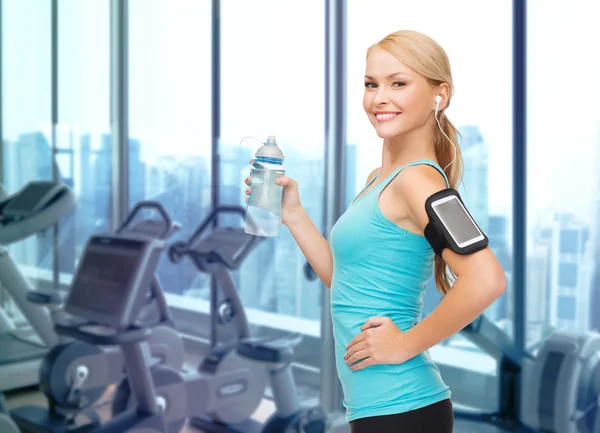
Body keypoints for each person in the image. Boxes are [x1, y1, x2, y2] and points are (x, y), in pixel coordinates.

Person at [244, 29, 506, 433]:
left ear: (441, 94)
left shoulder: (418, 182)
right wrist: (293, 214)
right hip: (375, 410)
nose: (378, 98)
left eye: (398, 83)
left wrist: (405, 343)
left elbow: (486, 279)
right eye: (371, 84)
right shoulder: (379, 179)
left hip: (404, 410)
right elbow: (347, 283)